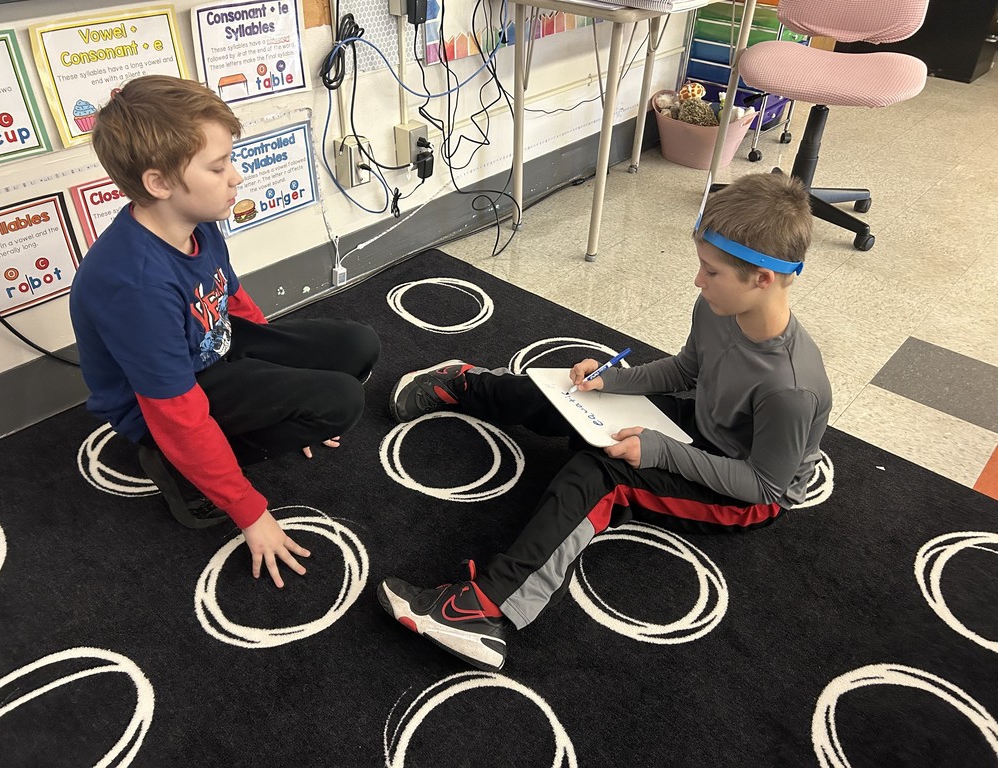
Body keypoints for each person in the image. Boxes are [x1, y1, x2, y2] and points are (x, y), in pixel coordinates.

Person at [376, 173, 831, 670]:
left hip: (743, 490)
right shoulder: (719, 306)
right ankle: (465, 385)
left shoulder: (790, 388)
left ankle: (483, 609)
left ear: (762, 279)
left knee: (600, 473)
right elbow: (686, 370)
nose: (698, 281)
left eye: (711, 271)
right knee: (569, 398)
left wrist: (660, 450)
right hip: (704, 423)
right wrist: (610, 381)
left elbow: (764, 487)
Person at [69, 75, 379, 588]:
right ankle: (180, 474)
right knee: (341, 402)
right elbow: (175, 413)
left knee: (357, 346)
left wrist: (280, 386)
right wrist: (251, 513)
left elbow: (229, 296)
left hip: (213, 351)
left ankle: (254, 424)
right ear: (158, 183)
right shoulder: (135, 284)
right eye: (218, 167)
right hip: (160, 408)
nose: (235, 176)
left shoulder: (198, 219)